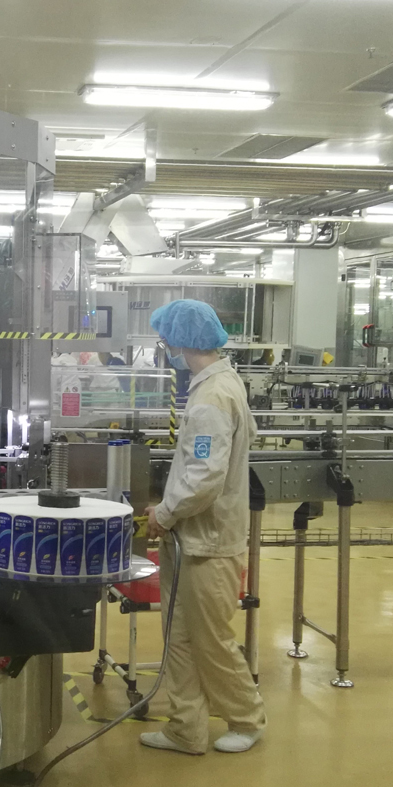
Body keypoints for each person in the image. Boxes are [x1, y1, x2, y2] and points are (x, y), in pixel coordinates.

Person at [141, 299, 266, 755]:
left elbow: (204, 476)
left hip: (209, 543)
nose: (165, 349)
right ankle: (186, 728)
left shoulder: (212, 397)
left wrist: (165, 512)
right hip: (192, 539)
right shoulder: (215, 385)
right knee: (179, 639)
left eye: (166, 341)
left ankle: (247, 720)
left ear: (182, 341)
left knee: (211, 642)